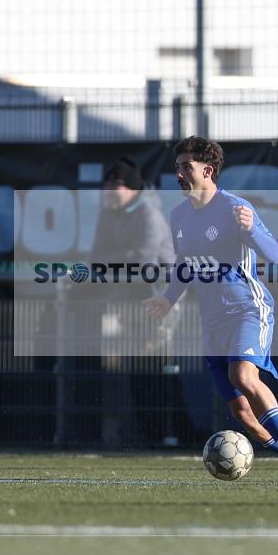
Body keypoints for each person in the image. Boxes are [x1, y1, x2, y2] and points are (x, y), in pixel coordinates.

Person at [143, 136, 278, 486]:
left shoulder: (236, 208)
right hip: (212, 324)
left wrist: (252, 229)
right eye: (177, 166)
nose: (179, 173)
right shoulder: (179, 215)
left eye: (186, 167)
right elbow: (185, 264)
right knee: (241, 412)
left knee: (244, 376)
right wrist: (168, 298)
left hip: (247, 310)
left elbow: (274, 255)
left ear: (207, 170)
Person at [88, 156, 175, 447]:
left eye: (117, 186)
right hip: (125, 302)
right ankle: (139, 432)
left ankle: (169, 435)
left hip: (160, 302)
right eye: (107, 185)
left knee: (159, 370)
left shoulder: (149, 213)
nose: (110, 192)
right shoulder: (108, 212)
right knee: (126, 371)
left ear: (134, 189)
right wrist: (115, 260)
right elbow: (95, 258)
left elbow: (143, 261)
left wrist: (112, 260)